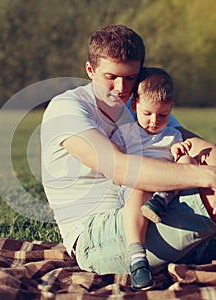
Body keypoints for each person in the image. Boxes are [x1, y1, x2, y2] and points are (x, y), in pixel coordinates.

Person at [40, 24, 216, 291]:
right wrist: (206, 175)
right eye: (111, 77)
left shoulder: (140, 106)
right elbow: (121, 168)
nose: (121, 88)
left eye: (131, 78)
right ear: (90, 70)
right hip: (95, 238)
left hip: (155, 210)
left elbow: (192, 144)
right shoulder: (67, 109)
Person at [112, 66, 198, 290]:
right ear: (134, 106)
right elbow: (114, 162)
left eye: (163, 115)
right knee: (140, 186)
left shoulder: (172, 134)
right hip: (138, 186)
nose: (154, 121)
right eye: (147, 114)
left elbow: (181, 164)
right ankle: (137, 258)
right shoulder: (126, 132)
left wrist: (179, 151)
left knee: (190, 163)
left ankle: (162, 199)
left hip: (167, 188)